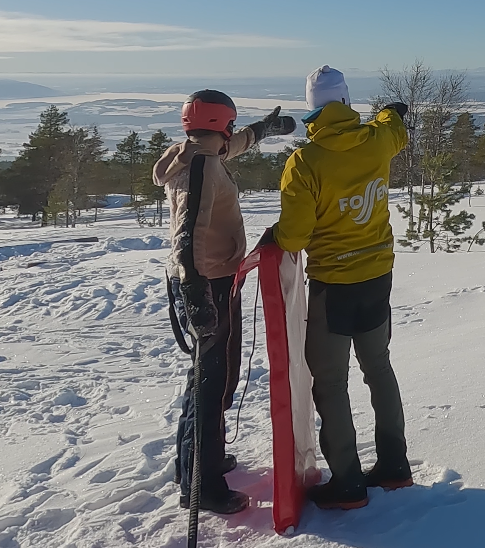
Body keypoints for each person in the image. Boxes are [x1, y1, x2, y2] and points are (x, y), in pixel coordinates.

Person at [267, 65, 411, 511]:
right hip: (378, 276)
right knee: (379, 367)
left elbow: (293, 237)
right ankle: (394, 465)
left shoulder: (305, 162)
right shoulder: (377, 139)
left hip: (334, 284)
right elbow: (394, 128)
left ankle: (347, 482)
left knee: (329, 381)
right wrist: (391, 113)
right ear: (346, 100)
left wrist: (271, 238)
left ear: (311, 108)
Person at [154, 89, 295, 515]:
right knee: (210, 385)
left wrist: (263, 131)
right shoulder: (201, 166)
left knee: (213, 378)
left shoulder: (197, 152)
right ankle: (203, 485)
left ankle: (198, 463)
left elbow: (227, 147)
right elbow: (186, 236)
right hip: (205, 284)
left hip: (211, 280)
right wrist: (198, 298)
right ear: (223, 123)